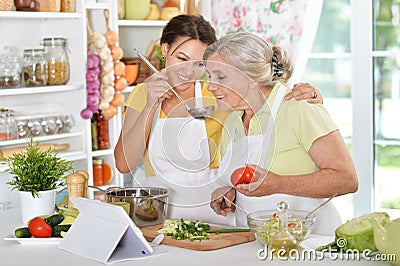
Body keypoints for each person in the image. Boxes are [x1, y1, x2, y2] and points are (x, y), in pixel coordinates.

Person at [114, 15, 323, 224]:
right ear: (166, 49)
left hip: (217, 214)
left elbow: (266, 101)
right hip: (160, 215)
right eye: (182, 59)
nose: (189, 72)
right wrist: (151, 103)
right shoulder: (144, 93)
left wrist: (308, 95)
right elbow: (124, 164)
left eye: (199, 64)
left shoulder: (219, 93)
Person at [205, 32, 358, 234]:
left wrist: (278, 184)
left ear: (251, 78)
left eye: (220, 76)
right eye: (209, 76)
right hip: (254, 243)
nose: (210, 85)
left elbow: (347, 179)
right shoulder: (232, 121)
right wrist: (231, 193)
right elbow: (247, 180)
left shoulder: (300, 107)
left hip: (310, 243)